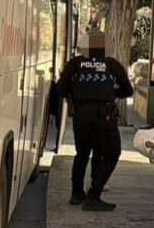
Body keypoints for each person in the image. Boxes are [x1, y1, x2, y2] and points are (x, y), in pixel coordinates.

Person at [55, 30, 133, 211]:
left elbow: (60, 89)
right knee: (111, 152)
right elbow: (127, 90)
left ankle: (76, 193)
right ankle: (94, 193)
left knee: (82, 153)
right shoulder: (111, 64)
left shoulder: (75, 64)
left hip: (81, 115)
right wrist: (111, 93)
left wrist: (76, 93)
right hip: (104, 115)